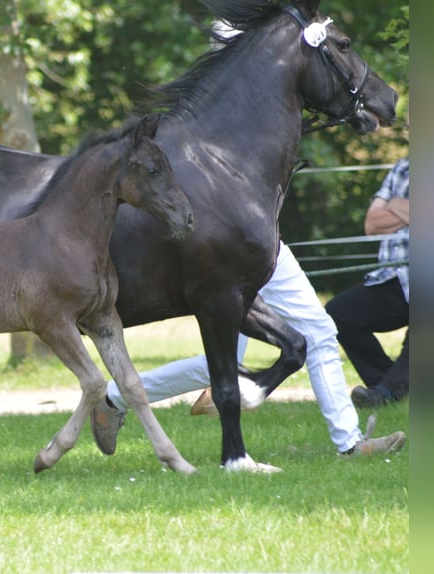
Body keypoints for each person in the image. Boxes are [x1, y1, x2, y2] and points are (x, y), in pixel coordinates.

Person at [91, 238, 407, 458]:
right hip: (227, 252)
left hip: (268, 245)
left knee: (321, 333)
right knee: (220, 363)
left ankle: (350, 444)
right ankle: (112, 397)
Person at [325, 158, 409, 408]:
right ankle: (384, 383)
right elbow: (372, 224)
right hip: (393, 277)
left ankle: (386, 392)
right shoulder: (403, 168)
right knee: (339, 313)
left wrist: (395, 205)